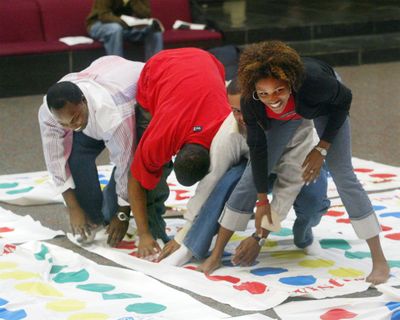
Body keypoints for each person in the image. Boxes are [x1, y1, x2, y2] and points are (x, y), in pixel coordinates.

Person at [231, 40, 389, 285]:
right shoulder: (253, 99)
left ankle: (380, 260)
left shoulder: (314, 84)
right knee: (254, 171)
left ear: (290, 84)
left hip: (324, 104)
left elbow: (344, 100)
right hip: (292, 102)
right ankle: (228, 242)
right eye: (263, 92)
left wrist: (322, 148)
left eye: (278, 90)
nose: (271, 98)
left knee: (343, 175)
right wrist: (262, 199)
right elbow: (258, 150)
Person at [158, 78, 329, 267]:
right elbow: (212, 178)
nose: (240, 117)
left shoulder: (299, 127)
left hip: (300, 166)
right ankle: (191, 247)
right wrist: (185, 233)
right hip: (254, 165)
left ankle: (304, 235)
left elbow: (288, 187)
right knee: (227, 182)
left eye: (244, 110)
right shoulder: (231, 131)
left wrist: (260, 237)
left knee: (313, 202)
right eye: (234, 110)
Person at [38, 55, 155, 247]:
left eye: (75, 118)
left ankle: (113, 210)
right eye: (63, 123)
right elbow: (54, 159)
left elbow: (126, 165)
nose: (72, 126)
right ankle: (93, 217)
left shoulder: (114, 115)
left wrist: (122, 213)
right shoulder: (49, 113)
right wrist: (73, 208)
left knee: (117, 204)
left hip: (135, 93)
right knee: (74, 157)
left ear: (83, 101)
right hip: (104, 73)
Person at [128, 48, 231, 259]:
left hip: (206, 61)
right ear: (174, 154)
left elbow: (215, 185)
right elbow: (135, 179)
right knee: (149, 169)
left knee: (222, 179)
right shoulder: (161, 137)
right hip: (158, 67)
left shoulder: (227, 132)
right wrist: (144, 234)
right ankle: (154, 228)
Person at [86, 0, 163, 60]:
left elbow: (146, 14)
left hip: (127, 26)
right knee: (115, 28)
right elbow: (104, 15)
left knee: (154, 28)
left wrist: (134, 1)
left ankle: (154, 70)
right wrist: (123, 23)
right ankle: (117, 70)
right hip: (100, 24)